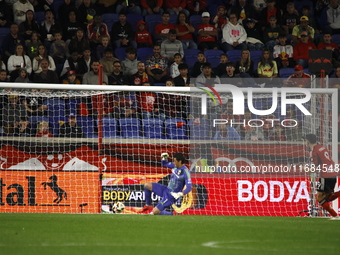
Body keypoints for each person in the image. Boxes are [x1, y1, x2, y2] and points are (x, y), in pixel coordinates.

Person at [304, 134, 340, 219]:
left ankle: (335, 216)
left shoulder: (314, 152)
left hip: (325, 176)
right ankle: (335, 216)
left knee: (320, 198)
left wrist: (306, 168)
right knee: (327, 198)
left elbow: (315, 167)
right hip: (333, 173)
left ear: (308, 141)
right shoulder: (322, 147)